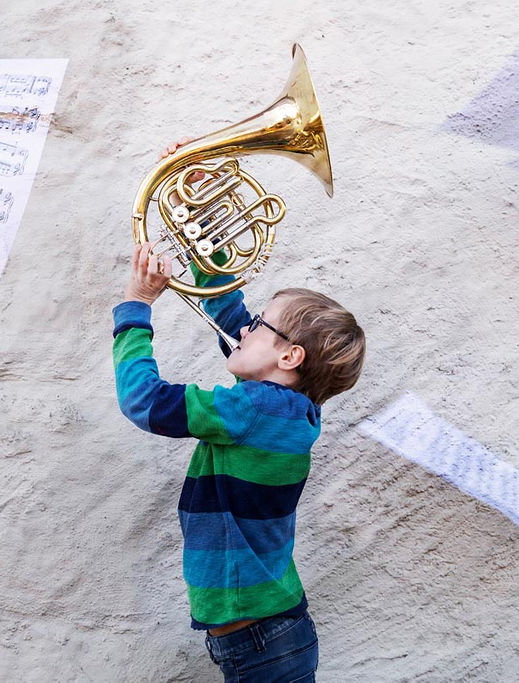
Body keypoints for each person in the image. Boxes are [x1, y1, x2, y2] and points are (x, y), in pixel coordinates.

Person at [112, 145, 365, 681]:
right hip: (267, 635)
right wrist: (202, 221)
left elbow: (143, 402)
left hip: (263, 639)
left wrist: (136, 308)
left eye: (263, 325)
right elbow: (230, 313)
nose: (247, 328)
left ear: (289, 357)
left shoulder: (253, 410)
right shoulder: (286, 408)